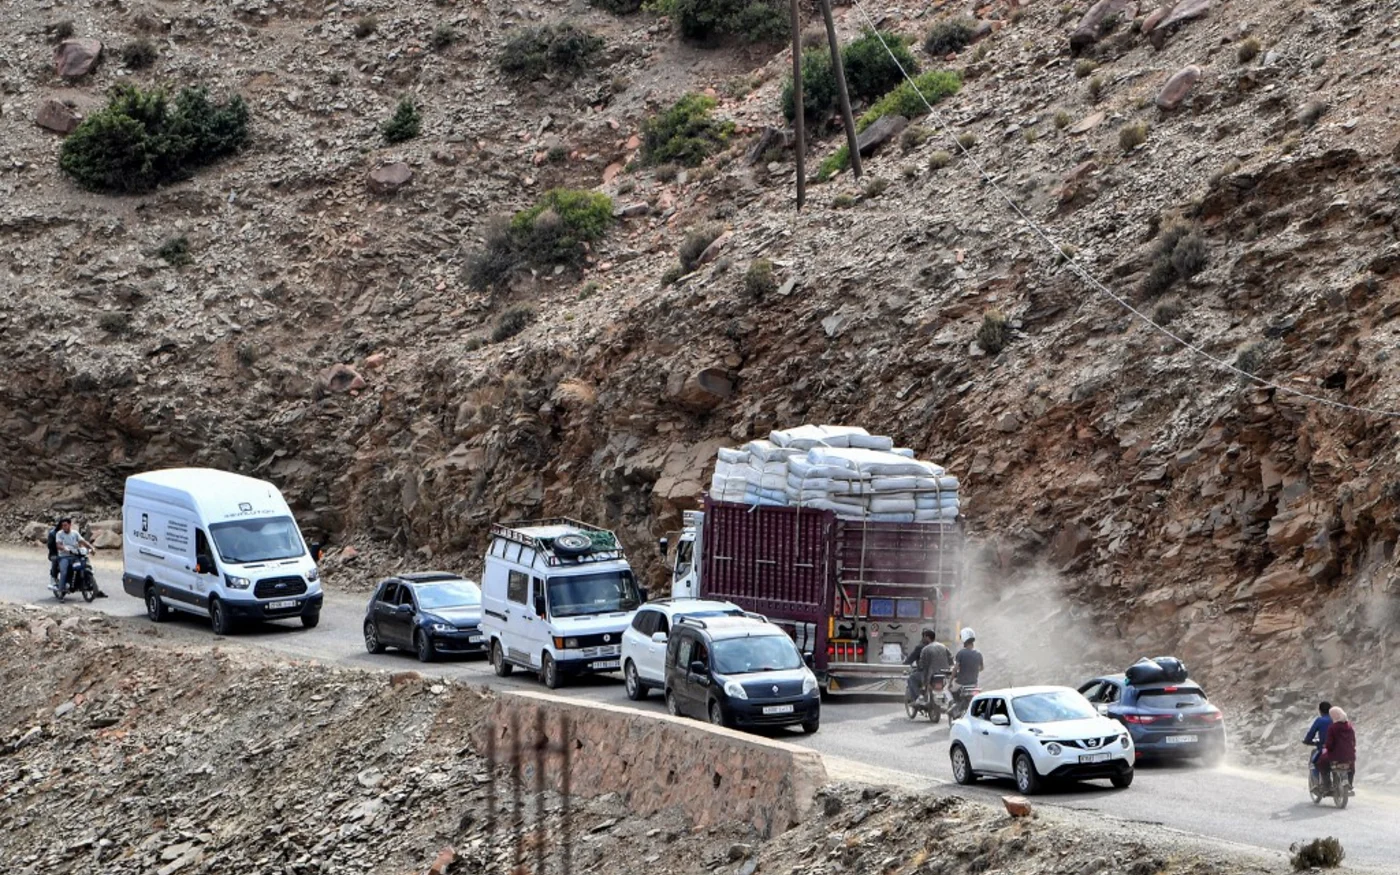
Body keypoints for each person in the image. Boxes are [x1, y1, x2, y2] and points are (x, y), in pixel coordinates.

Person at [1317, 706, 1357, 793]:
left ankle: (1327, 786)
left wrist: (1326, 746)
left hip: (1336, 756)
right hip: (1349, 756)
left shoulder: (1332, 727)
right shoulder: (1350, 726)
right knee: (1351, 767)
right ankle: (1350, 783)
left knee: (1321, 762)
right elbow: (1354, 741)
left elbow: (1330, 744)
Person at [53, 518, 95, 596]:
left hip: (75, 556)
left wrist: (91, 548)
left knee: (84, 565)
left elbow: (82, 541)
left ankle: (87, 583)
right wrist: (64, 548)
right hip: (64, 556)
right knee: (64, 572)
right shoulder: (59, 534)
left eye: (65, 525)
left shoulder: (75, 533)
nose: (64, 527)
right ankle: (61, 590)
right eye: (63, 525)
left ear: (70, 525)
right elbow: (58, 545)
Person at [917, 632, 953, 702]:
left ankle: (922, 696)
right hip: (945, 674)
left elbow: (921, 664)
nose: (923, 639)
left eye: (924, 637)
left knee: (919, 678)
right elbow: (951, 660)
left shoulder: (925, 649)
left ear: (927, 637)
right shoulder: (943, 646)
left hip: (932, 674)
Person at [1303, 700, 1333, 775]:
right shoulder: (1337, 720)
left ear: (1320, 711)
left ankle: (1316, 779)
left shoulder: (1320, 720)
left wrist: (1307, 741)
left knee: (1313, 763)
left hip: (1324, 748)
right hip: (1339, 750)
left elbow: (1311, 733)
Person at [904, 629, 933, 702]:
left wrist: (903, 665)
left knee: (911, 678)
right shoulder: (938, 646)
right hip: (938, 673)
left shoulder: (921, 647)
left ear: (925, 637)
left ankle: (918, 697)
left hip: (925, 673)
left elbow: (911, 659)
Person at [953, 627, 983, 692]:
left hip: (961, 683)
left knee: (948, 690)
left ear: (964, 640)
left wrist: (950, 682)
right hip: (974, 684)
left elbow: (955, 669)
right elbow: (981, 668)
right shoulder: (979, 654)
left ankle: (952, 699)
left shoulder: (960, 653)